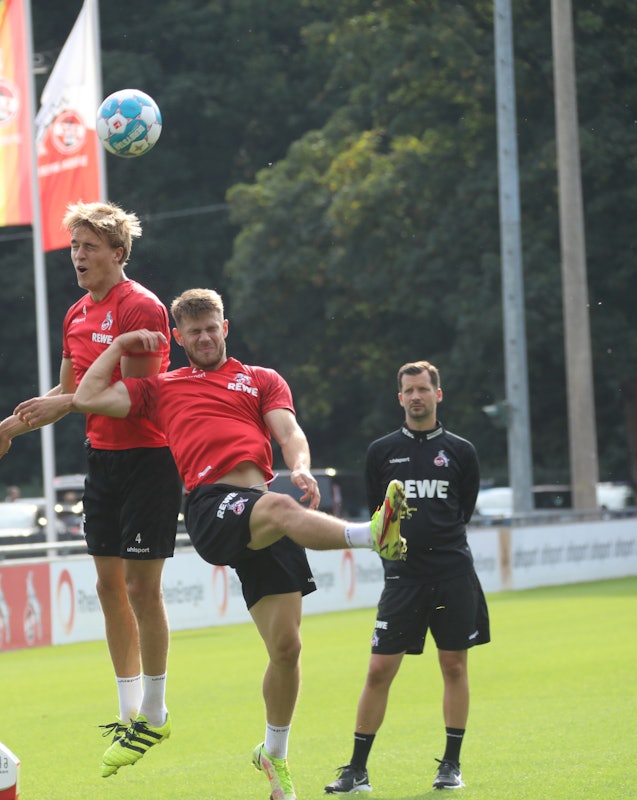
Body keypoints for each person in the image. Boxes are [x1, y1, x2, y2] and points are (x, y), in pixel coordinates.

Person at [71, 288, 408, 800]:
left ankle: (274, 754)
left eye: (212, 327)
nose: (205, 338)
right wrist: (118, 348)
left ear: (226, 327)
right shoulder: (161, 387)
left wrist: (298, 466)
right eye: (194, 331)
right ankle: (371, 535)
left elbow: (289, 430)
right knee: (275, 507)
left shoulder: (262, 379)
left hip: (264, 511)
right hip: (213, 505)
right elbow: (87, 397)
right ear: (179, 338)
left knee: (288, 649)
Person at [0, 201, 182, 777]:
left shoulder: (142, 307)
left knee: (143, 587)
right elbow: (67, 396)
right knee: (108, 586)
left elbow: (131, 396)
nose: (79, 256)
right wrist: (7, 430)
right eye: (75, 247)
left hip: (148, 456)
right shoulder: (73, 315)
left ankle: (156, 711)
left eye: (90, 247)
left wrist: (55, 404)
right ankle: (128, 711)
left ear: (118, 253)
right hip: (103, 461)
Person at [323, 360, 489, 793]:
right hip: (402, 579)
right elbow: (381, 519)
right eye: (408, 391)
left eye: (423, 389)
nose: (416, 396)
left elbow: (462, 511)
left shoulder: (461, 451)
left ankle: (450, 764)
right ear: (399, 398)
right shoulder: (381, 451)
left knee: (453, 665)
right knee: (379, 670)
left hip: (453, 574)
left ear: (438, 394)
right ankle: (357, 770)